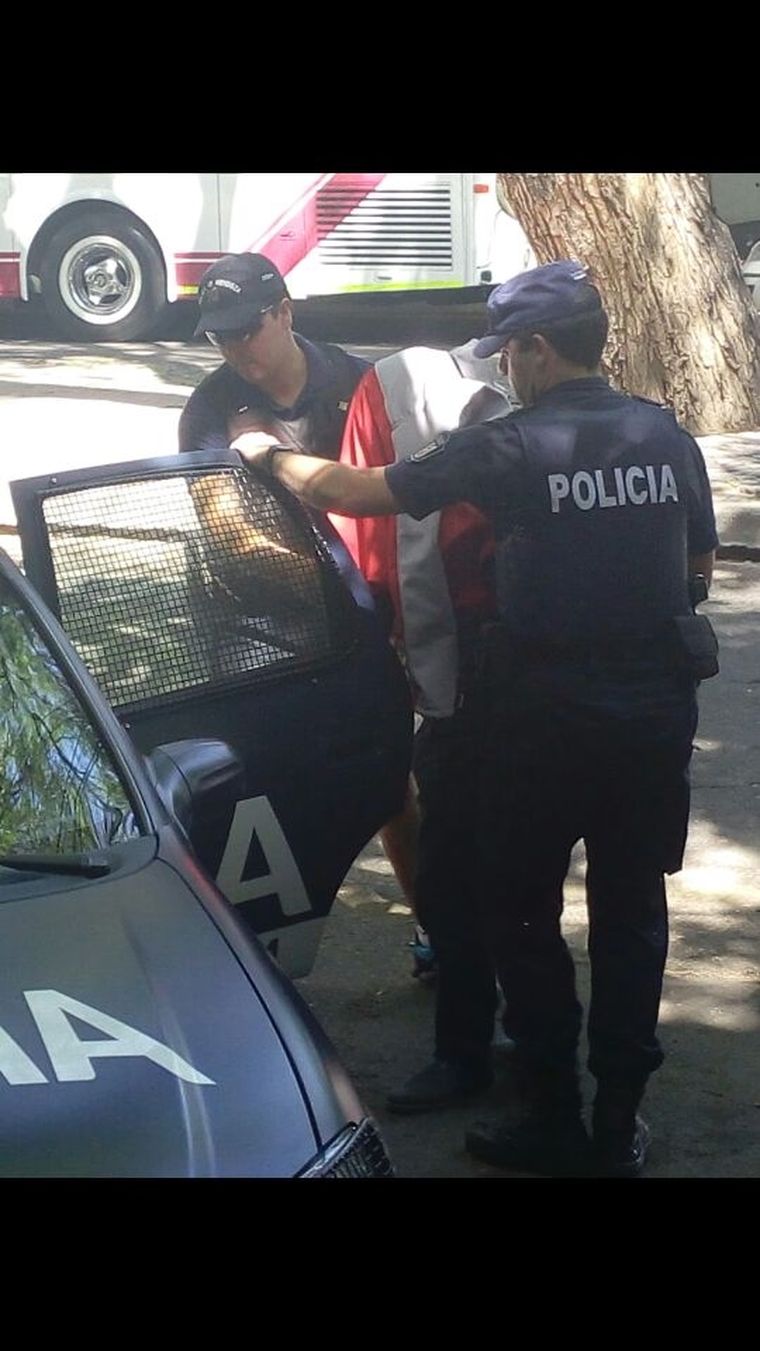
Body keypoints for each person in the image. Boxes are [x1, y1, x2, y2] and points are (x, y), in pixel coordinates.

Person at [232, 260, 719, 1179]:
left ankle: (551, 1113)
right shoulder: (667, 434)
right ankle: (618, 1126)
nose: (504, 372)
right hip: (652, 724)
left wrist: (267, 456)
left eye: (508, 354)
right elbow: (695, 567)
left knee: (522, 914)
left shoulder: (511, 445)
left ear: (536, 349)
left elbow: (359, 491)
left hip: (538, 728)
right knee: (631, 915)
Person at [178, 252, 422, 961]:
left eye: (247, 329)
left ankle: (436, 924)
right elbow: (230, 531)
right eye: (220, 335)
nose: (235, 349)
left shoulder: (359, 382)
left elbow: (401, 502)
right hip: (256, 617)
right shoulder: (210, 409)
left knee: (391, 783)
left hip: (369, 615)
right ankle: (250, 948)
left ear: (285, 312)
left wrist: (389, 610)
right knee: (251, 783)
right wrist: (349, 598)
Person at [333, 342, 514, 1110]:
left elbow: (363, 501)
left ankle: (482, 1055)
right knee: (509, 870)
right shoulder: (635, 431)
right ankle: (547, 1067)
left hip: (477, 664)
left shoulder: (403, 387)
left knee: (467, 865)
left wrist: (270, 460)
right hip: (536, 670)